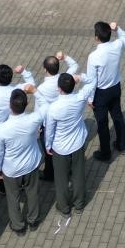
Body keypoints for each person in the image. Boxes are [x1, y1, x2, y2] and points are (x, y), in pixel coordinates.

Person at [45, 72, 94, 225]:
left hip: (60, 148)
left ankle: (64, 208)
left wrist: (48, 145)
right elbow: (93, 82)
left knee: (61, 180)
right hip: (77, 143)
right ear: (74, 85)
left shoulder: (54, 108)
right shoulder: (80, 98)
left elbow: (50, 130)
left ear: (59, 89)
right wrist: (81, 77)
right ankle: (79, 204)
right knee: (78, 174)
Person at [0, 88, 44, 234]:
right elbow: (45, 105)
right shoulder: (34, 119)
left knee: (13, 197)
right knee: (32, 193)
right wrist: (35, 91)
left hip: (11, 169)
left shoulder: (2, 129)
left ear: (10, 105)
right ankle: (33, 220)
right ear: (26, 104)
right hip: (31, 165)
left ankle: (18, 226)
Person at [85, 21, 125, 161]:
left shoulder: (93, 56)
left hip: (101, 94)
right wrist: (117, 28)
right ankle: (122, 144)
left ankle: (105, 153)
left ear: (96, 37)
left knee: (102, 123)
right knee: (117, 115)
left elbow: (92, 80)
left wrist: (90, 99)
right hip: (115, 88)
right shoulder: (116, 46)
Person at [33, 52, 81, 181]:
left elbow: (38, 109)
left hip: (48, 121)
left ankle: (50, 173)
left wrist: (37, 126)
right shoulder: (65, 78)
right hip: (64, 116)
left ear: (44, 69)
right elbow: (74, 65)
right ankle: (68, 167)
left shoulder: (41, 88)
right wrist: (65, 57)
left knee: (49, 151)